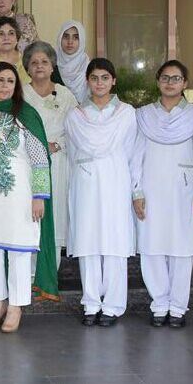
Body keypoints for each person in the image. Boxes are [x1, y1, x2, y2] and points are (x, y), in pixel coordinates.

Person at [0, 62, 56, 332]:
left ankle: (16, 307)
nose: (4, 85)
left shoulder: (26, 114)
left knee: (19, 251)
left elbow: (40, 158)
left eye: (10, 81)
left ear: (16, 86)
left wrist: (39, 196)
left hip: (19, 195)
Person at [64, 58, 139, 327]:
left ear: (113, 81)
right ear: (87, 81)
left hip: (116, 180)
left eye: (104, 78)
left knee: (115, 244)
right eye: (94, 78)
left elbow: (132, 152)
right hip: (85, 183)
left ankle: (113, 306)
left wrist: (135, 189)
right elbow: (74, 154)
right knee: (88, 242)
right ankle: (91, 302)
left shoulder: (127, 113)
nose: (99, 83)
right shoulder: (75, 115)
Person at [132, 60, 193, 328]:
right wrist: (136, 190)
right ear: (158, 81)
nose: (170, 82)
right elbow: (136, 155)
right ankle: (159, 304)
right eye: (165, 77)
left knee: (181, 249)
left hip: (184, 190)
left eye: (176, 78)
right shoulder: (144, 116)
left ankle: (177, 307)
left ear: (185, 83)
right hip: (151, 188)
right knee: (152, 247)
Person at [22, 41, 78, 269]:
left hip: (57, 163)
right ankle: (30, 275)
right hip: (27, 163)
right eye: (34, 62)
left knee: (54, 216)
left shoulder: (65, 95)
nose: (39, 66)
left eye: (44, 61)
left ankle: (49, 274)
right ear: (27, 68)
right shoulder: (21, 93)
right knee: (29, 216)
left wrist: (57, 145)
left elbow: (77, 129)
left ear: (53, 66)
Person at [53, 20, 91, 103]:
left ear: (82, 40)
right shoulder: (51, 65)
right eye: (66, 37)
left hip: (84, 113)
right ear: (60, 38)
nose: (70, 42)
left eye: (76, 37)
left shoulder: (89, 67)